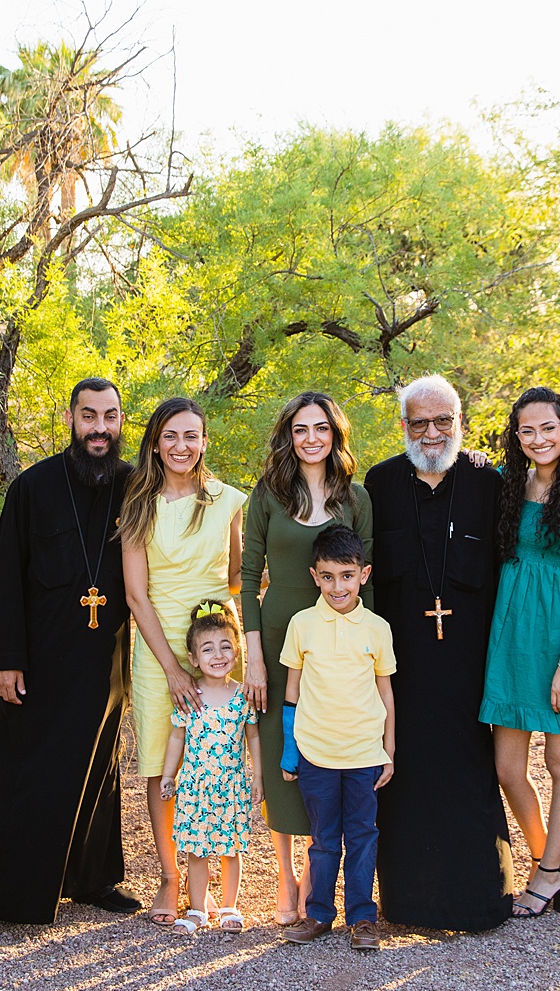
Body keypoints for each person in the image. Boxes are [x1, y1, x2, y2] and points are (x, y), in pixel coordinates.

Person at [0, 377, 138, 924]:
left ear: (120, 422)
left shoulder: (134, 486)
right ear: (70, 419)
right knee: (27, 772)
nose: (100, 429)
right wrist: (6, 659)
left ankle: (92, 880)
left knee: (98, 767)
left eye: (110, 417)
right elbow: (7, 577)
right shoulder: (32, 488)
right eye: (89, 416)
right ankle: (10, 892)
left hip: (105, 661)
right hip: (39, 658)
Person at [364, 374, 516, 932]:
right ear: (403, 426)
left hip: (471, 663)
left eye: (443, 421)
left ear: (460, 424)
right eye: (420, 422)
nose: (432, 432)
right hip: (399, 667)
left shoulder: (490, 483)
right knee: (402, 776)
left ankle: (482, 897)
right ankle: (407, 901)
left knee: (471, 772)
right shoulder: (379, 484)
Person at [240, 392, 374, 925]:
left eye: (321, 428)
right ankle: (286, 876)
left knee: (333, 750)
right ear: (288, 436)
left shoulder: (357, 498)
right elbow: (248, 579)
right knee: (282, 750)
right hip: (276, 640)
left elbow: (370, 576)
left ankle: (327, 883)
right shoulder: (269, 494)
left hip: (339, 645)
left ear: (335, 435)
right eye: (301, 429)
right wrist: (253, 658)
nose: (311, 438)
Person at [480, 387, 560, 917]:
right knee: (508, 767)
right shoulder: (511, 486)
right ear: (517, 436)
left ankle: (551, 870)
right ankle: (543, 858)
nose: (538, 439)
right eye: (527, 430)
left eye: (548, 429)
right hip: (512, 638)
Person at [121, 396, 248, 927]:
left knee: (226, 756)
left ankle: (229, 882)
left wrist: (228, 640)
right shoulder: (138, 505)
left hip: (219, 644)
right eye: (170, 436)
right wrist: (174, 669)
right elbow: (134, 594)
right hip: (158, 648)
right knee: (162, 762)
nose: (181, 446)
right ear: (155, 441)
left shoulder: (226, 500)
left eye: (191, 436)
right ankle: (172, 877)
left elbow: (238, 574)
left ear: (204, 441)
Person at [278, 525, 396, 951]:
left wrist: (389, 749)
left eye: (346, 575)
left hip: (364, 752)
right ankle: (319, 915)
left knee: (363, 836)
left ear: (363, 574)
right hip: (316, 752)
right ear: (314, 576)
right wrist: (291, 753)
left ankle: (363, 919)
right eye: (327, 576)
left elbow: (385, 690)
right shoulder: (302, 624)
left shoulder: (377, 628)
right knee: (325, 841)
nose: (337, 585)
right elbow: (292, 692)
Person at [158, 600, 262, 935]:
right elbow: (176, 738)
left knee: (231, 849)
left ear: (237, 651)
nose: (218, 656)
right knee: (197, 851)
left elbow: (253, 737)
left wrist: (257, 776)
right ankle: (198, 909)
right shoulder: (191, 695)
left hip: (230, 787)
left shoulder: (241, 695)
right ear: (193, 659)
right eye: (208, 649)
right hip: (195, 787)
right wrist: (167, 775)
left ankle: (231, 906)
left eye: (225, 647)